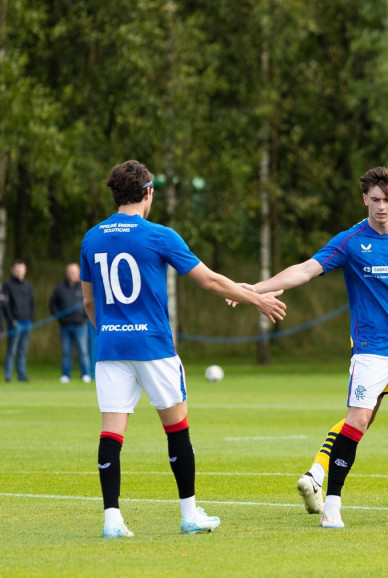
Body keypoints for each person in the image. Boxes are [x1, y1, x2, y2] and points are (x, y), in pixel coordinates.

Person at [245, 166, 388, 528]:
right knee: (358, 422)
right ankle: (332, 505)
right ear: (365, 199)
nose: (381, 207)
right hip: (372, 350)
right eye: (375, 200)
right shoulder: (350, 240)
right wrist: (256, 288)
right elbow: (305, 270)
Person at [81, 160, 286, 538]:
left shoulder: (91, 238)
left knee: (111, 433)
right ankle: (189, 515)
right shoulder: (159, 235)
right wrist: (255, 298)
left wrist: (109, 332)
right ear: (147, 193)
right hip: (154, 347)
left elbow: (90, 302)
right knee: (176, 428)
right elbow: (208, 280)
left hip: (110, 346)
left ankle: (112, 520)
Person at [50, 263, 92, 383]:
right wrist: (59, 317)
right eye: (69, 272)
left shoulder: (84, 287)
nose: (71, 274)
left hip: (80, 324)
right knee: (66, 351)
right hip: (64, 325)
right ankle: (66, 375)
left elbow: (90, 303)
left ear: (78, 273)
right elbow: (52, 304)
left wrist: (84, 316)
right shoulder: (60, 288)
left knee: (82, 350)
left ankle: (85, 374)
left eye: (73, 272)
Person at [3, 260, 34, 383]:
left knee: (22, 351)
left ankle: (22, 375)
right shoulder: (7, 285)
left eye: (21, 270)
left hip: (27, 322)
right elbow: (5, 304)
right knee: (11, 350)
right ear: (13, 270)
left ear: (25, 271)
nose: (19, 272)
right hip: (15, 323)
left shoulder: (27, 285)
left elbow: (32, 303)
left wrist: (31, 319)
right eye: (17, 270)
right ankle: (8, 376)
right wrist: (11, 320)